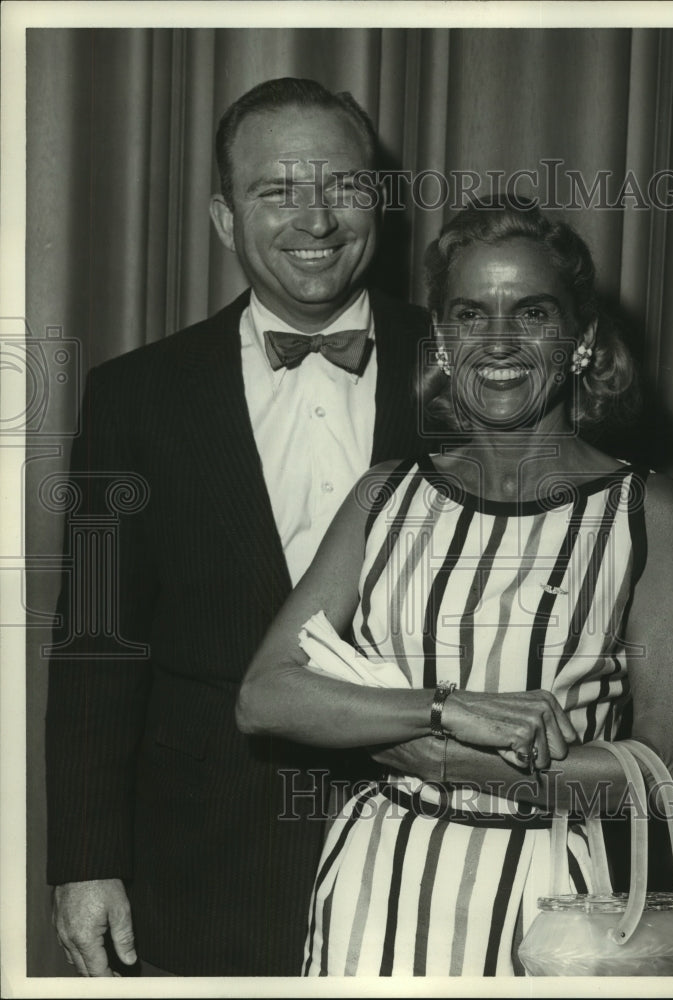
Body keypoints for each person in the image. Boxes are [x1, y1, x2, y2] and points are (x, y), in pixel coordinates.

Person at [236, 198, 673, 975]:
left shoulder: (648, 511)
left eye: (531, 313)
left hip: (551, 904)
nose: (497, 340)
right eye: (469, 314)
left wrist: (437, 758)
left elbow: (668, 780)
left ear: (582, 340)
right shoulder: (382, 496)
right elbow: (265, 696)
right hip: (373, 880)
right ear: (445, 342)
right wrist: (448, 710)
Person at [45, 77, 430, 977]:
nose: (318, 219)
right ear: (224, 219)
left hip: (434, 838)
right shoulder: (131, 398)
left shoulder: (471, 373)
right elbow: (96, 642)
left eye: (342, 185)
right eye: (278, 190)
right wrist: (85, 862)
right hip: (205, 859)